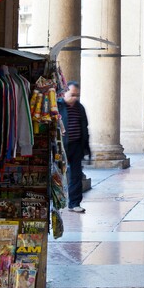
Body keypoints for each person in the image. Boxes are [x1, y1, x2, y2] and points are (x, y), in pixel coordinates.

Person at [58, 82, 91, 213]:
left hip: (76, 145)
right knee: (59, 174)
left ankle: (74, 203)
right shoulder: (59, 106)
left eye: (77, 95)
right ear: (65, 93)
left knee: (76, 175)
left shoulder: (80, 108)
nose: (75, 98)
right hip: (62, 147)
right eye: (72, 95)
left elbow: (85, 127)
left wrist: (86, 147)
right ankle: (58, 202)